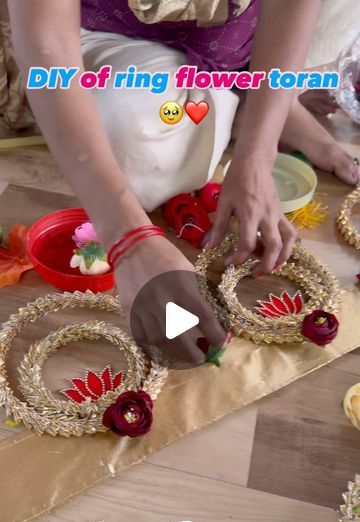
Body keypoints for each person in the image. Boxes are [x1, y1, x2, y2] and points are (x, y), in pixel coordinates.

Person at [8, 0, 359, 364]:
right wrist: (129, 241)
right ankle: (243, 98)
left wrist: (258, 154)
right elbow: (46, 36)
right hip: (120, 35)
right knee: (130, 147)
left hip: (252, 28)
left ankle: (260, 95)